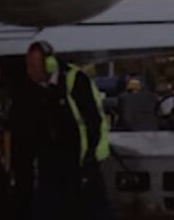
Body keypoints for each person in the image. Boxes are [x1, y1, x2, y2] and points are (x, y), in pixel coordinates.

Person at [15, 42, 109, 220]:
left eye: (33, 66)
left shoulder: (75, 81)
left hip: (81, 163)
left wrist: (90, 157)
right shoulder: (36, 89)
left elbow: (94, 122)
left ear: (49, 64)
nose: (29, 71)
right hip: (53, 163)